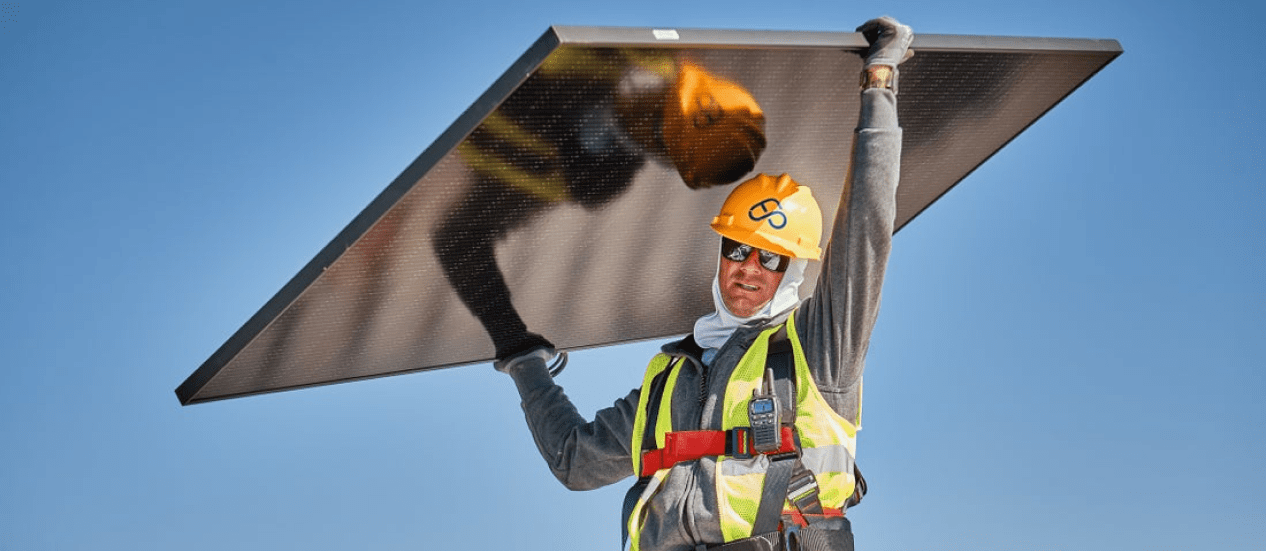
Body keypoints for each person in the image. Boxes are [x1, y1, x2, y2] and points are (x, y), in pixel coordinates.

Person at [493, 16, 913, 551]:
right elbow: (575, 461)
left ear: (796, 271)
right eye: (736, 249)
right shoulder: (671, 378)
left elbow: (866, 234)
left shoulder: (817, 351)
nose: (748, 267)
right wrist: (525, 366)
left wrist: (880, 82)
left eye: (770, 258)